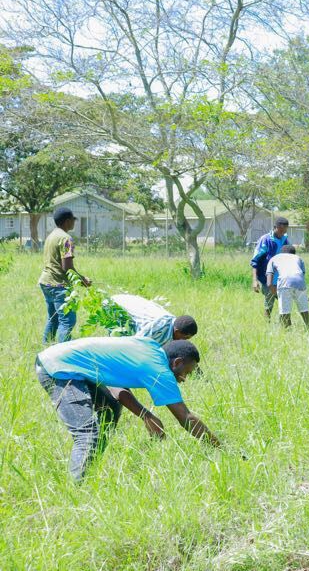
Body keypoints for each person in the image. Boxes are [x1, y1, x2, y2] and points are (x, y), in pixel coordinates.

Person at [35, 337, 220, 481]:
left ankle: (89, 469)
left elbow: (116, 388)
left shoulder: (150, 347)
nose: (184, 379)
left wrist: (146, 415)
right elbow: (185, 417)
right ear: (177, 362)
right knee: (87, 433)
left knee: (110, 409)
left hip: (66, 361)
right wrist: (220, 448)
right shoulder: (159, 370)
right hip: (58, 368)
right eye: (186, 372)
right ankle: (77, 491)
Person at [38, 206, 91, 344]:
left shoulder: (52, 236)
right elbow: (67, 267)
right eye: (73, 220)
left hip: (45, 282)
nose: (74, 223)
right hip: (59, 285)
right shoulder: (66, 239)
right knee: (67, 321)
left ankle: (46, 346)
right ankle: (63, 354)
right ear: (67, 221)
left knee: (53, 318)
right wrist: (82, 280)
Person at [110, 293, 198, 345]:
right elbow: (136, 343)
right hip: (115, 306)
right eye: (185, 338)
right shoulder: (159, 326)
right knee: (116, 339)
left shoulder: (174, 325)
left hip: (126, 305)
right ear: (177, 331)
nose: (184, 341)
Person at [251, 217, 290, 319]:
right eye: (280, 230)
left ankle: (285, 325)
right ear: (275, 227)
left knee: (285, 303)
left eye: (284, 231)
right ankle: (266, 324)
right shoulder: (266, 240)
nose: (282, 233)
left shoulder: (285, 240)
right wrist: (255, 281)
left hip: (281, 278)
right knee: (269, 303)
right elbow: (255, 261)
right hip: (268, 278)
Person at [266, 245, 309, 329]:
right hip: (300, 284)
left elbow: (269, 284)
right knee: (304, 311)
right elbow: (301, 276)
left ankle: (286, 332)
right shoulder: (298, 258)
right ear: (293, 253)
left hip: (284, 284)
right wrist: (302, 295)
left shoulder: (274, 258)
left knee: (284, 313)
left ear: (281, 253)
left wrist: (277, 294)